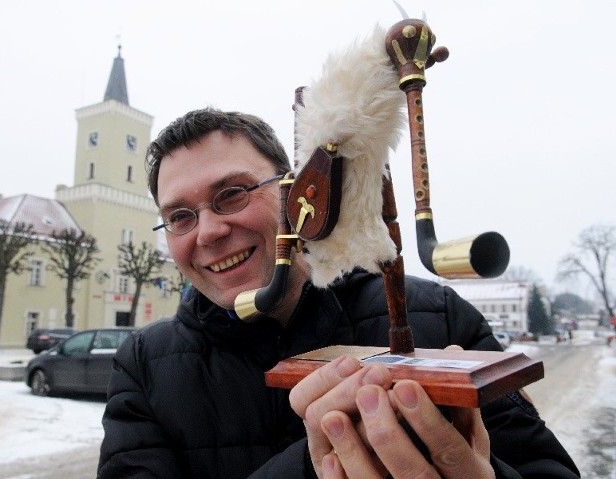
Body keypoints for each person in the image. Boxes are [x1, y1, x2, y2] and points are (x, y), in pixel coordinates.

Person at [97, 108, 579, 478]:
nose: (208, 232)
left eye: (233, 194)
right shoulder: (143, 364)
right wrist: (310, 465)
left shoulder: (436, 317)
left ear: (297, 192)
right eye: (180, 216)